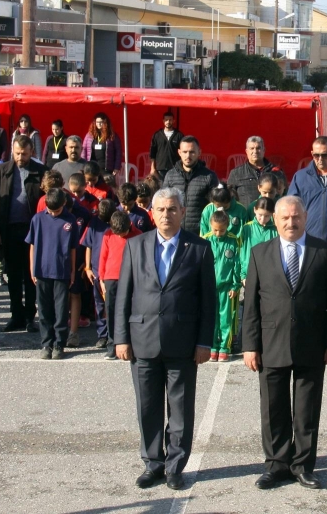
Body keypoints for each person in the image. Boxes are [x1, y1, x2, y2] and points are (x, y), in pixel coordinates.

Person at [114, 187, 216, 491]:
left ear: (183, 212)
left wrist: (204, 342)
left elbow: (208, 300)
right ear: (152, 213)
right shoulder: (135, 246)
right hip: (141, 339)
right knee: (147, 407)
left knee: (181, 408)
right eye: (161, 210)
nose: (166, 215)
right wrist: (121, 338)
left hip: (182, 342)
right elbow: (123, 296)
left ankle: (174, 466)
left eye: (172, 209)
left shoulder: (199, 248)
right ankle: (153, 464)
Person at [242, 195, 327, 490]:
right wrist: (250, 345)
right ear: (274, 220)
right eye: (284, 217)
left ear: (305, 217)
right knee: (273, 409)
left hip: (311, 343)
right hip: (271, 343)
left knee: (307, 409)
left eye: (296, 216)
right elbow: (250, 306)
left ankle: (302, 465)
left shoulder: (323, 251)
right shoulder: (260, 253)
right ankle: (276, 465)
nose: (291, 222)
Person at [0, 135, 48, 333]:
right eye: (17, 153)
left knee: (30, 275)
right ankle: (16, 315)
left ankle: (30, 316)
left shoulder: (41, 172)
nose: (20, 157)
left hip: (32, 230)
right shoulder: (1, 170)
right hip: (9, 229)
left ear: (32, 152)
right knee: (12, 275)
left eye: (24, 153)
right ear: (12, 151)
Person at [26, 189, 80, 359]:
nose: (53, 213)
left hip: (61, 271)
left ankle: (59, 344)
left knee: (61, 310)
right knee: (44, 309)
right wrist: (32, 268)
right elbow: (32, 245)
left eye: (56, 210)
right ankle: (46, 343)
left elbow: (72, 249)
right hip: (42, 270)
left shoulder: (70, 220)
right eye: (50, 210)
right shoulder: (38, 219)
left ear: (64, 204)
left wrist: (71, 271)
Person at [97, 209, 141, 360]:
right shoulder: (108, 234)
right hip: (111, 278)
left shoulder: (139, 235)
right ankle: (112, 345)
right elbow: (103, 256)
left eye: (122, 233)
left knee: (130, 311)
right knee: (110, 312)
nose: (120, 236)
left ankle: (130, 344)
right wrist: (101, 279)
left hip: (131, 278)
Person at [162, 136, 220, 235]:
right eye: (185, 152)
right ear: (179, 152)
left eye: (192, 152)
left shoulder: (209, 176)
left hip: (200, 233)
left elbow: (215, 206)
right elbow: (164, 202)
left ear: (199, 153)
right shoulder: (170, 176)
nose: (188, 156)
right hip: (175, 232)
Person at [204, 210, 240, 362]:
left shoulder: (233, 240)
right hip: (210, 287)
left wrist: (235, 285)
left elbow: (237, 264)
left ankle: (225, 347)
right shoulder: (206, 240)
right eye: (215, 230)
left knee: (225, 318)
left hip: (226, 287)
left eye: (222, 230)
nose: (218, 233)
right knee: (211, 317)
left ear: (227, 227)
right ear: (210, 226)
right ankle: (212, 346)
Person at [83, 199, 116, 352]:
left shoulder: (116, 222)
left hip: (113, 272)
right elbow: (88, 246)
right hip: (97, 271)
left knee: (113, 305)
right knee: (99, 304)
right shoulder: (94, 223)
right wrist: (88, 267)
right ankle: (102, 335)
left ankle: (114, 335)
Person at [227, 136, 287, 206]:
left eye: (258, 148)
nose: (255, 151)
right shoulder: (236, 173)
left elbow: (285, 194)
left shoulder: (276, 171)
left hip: (271, 214)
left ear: (264, 150)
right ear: (246, 151)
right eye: (252, 148)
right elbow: (229, 197)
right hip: (246, 215)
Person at [237, 197, 278, 287]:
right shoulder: (247, 228)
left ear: (272, 214)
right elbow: (243, 253)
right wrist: (243, 275)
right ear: (254, 210)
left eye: (267, 216)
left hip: (270, 275)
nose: (263, 219)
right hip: (250, 273)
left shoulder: (276, 230)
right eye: (260, 215)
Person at [82, 112, 122, 179]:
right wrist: (83, 165)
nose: (99, 124)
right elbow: (84, 150)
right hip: (92, 168)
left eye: (101, 122)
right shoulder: (89, 135)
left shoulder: (112, 135)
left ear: (105, 123)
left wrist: (116, 167)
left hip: (106, 169)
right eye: (97, 122)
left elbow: (118, 151)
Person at [149, 111, 184, 182]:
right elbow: (153, 153)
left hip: (175, 169)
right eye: (166, 120)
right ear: (163, 121)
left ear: (174, 121)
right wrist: (153, 168)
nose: (168, 122)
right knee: (162, 191)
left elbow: (183, 152)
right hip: (160, 169)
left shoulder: (179, 135)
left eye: (170, 120)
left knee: (173, 191)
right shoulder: (157, 135)